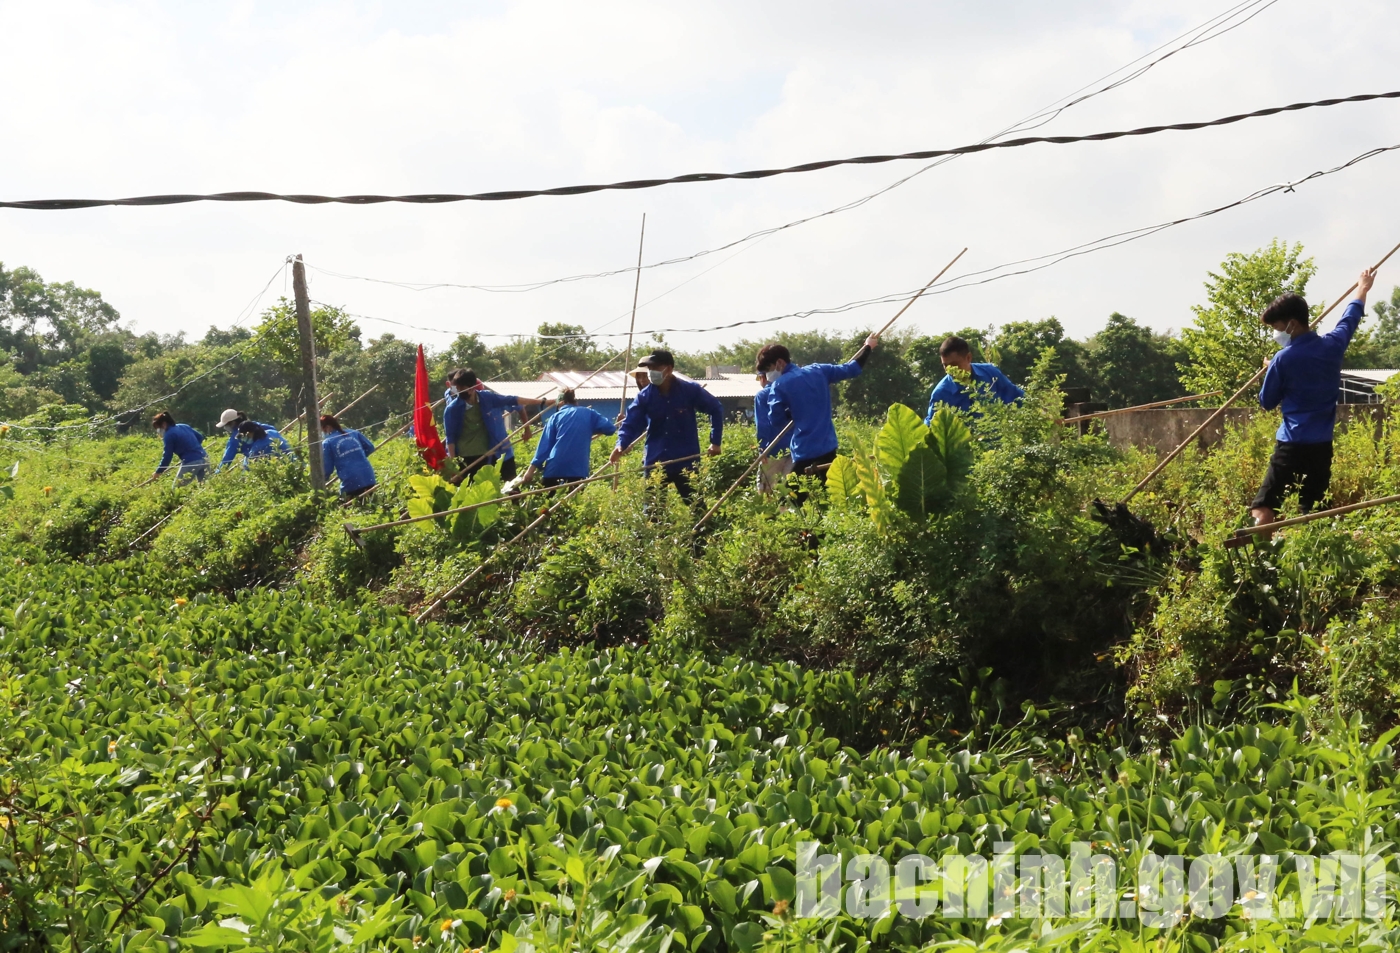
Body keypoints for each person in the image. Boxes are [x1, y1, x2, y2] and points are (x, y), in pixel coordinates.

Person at [1249, 266, 1377, 528]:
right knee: (1314, 513)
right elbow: (1349, 318)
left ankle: (1260, 567)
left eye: (1277, 327)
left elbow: (1267, 402)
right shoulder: (1333, 346)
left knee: (1263, 508)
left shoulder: (1282, 359)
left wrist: (1269, 370)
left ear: (1292, 324)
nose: (1276, 332)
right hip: (1321, 446)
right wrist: (1362, 288)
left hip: (1291, 445)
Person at [760, 334, 879, 483]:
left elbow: (776, 420)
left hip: (804, 451)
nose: (767, 375)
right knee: (831, 494)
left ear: (779, 363)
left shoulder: (779, 385)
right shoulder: (819, 370)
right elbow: (852, 369)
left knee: (792, 501)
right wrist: (868, 347)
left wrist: (791, 413)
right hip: (828, 447)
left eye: (768, 369)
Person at [610, 349, 724, 501]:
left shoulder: (690, 390)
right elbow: (631, 423)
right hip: (656, 461)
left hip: (686, 461)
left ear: (669, 369)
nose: (651, 373)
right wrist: (621, 444)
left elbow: (715, 409)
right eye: (649, 369)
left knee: (696, 506)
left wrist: (715, 441)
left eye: (655, 369)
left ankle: (702, 525)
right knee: (653, 512)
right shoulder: (645, 396)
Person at [442, 369, 551, 484]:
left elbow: (513, 400)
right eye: (456, 388)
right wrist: (454, 466)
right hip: (466, 457)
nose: (458, 392)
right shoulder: (452, 408)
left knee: (500, 487)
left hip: (490, 453)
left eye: (461, 388)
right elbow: (450, 439)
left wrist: (542, 402)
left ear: (472, 388)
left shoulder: (487, 398)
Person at [518, 389, 617, 488]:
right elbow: (610, 429)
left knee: (549, 502)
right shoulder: (589, 413)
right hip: (578, 470)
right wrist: (588, 430)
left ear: (561, 402)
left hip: (555, 469)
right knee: (575, 502)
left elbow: (544, 446)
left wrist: (530, 471)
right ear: (575, 402)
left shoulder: (555, 417)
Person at [924, 335, 1024, 422]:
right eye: (945, 366)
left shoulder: (991, 373)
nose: (949, 370)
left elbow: (1018, 397)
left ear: (968, 358)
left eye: (954, 365)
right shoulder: (941, 394)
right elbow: (933, 425)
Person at [320, 413, 377, 497]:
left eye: (323, 430)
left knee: (347, 505)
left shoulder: (327, 442)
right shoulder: (354, 433)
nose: (323, 433)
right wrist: (357, 455)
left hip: (350, 482)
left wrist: (321, 481)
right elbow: (370, 447)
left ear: (328, 427)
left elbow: (328, 468)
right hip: (369, 477)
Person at [754, 371, 793, 493]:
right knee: (788, 489)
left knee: (767, 490)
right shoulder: (792, 392)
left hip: (773, 450)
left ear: (763, 377)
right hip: (794, 449)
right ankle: (785, 512)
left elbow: (763, 424)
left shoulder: (763, 395)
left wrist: (762, 449)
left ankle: (770, 512)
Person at [216, 408, 291, 470]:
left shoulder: (235, 440)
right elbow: (272, 428)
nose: (225, 428)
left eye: (226, 425)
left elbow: (227, 459)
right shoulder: (257, 426)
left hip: (262, 457)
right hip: (289, 460)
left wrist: (218, 473)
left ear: (232, 423)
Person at [151, 411, 209, 483]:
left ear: (163, 424)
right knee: (205, 486)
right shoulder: (184, 426)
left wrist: (158, 472)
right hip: (204, 458)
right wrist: (193, 448)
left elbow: (167, 456)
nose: (158, 431)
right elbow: (200, 437)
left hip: (190, 462)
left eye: (158, 428)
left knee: (177, 490)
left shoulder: (169, 435)